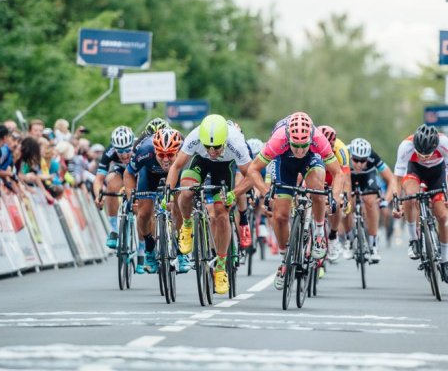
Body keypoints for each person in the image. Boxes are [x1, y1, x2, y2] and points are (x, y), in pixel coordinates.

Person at [237, 112, 345, 290]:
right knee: (280, 215)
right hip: (284, 162)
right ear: (289, 138)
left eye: (304, 146)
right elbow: (253, 171)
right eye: (296, 146)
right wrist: (266, 193)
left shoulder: (318, 139)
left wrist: (334, 197)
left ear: (310, 138)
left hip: (312, 161)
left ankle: (318, 235)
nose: (300, 151)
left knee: (317, 190)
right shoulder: (278, 140)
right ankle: (284, 259)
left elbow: (338, 173)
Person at [166, 114, 251, 295]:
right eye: (208, 147)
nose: (212, 151)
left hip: (225, 168)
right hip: (200, 163)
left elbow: (252, 175)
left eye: (217, 147)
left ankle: (220, 267)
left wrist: (234, 193)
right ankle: (187, 225)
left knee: (221, 213)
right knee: (187, 191)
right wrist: (168, 192)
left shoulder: (236, 142)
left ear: (225, 142)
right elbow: (176, 166)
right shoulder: (195, 136)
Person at [392, 124, 448, 284]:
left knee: (443, 216)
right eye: (419, 153)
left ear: (435, 146)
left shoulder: (444, 143)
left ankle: (445, 261)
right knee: (410, 197)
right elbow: (397, 179)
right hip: (414, 171)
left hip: (437, 174)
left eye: (427, 154)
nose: (423, 157)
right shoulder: (406, 146)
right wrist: (396, 204)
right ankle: (414, 239)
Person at [125, 127, 183, 274]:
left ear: (177, 151)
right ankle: (149, 247)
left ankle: (181, 249)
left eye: (170, 155)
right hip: (149, 176)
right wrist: (131, 198)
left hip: (176, 174)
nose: (165, 159)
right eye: (161, 154)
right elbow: (128, 174)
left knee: (181, 207)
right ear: (154, 150)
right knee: (143, 213)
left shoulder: (185, 152)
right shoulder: (144, 151)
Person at [344, 137, 396, 263]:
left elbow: (392, 179)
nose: (359, 164)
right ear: (351, 157)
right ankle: (349, 240)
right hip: (347, 176)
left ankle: (373, 245)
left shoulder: (374, 157)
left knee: (370, 201)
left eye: (363, 161)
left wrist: (385, 200)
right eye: (356, 160)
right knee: (346, 203)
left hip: (367, 177)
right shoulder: (344, 153)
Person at [93, 126, 135, 249]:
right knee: (111, 183)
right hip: (120, 172)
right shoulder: (109, 152)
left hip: (136, 172)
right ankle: (114, 230)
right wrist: (98, 196)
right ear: (114, 148)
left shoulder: (139, 148)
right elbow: (99, 179)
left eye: (127, 150)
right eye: (120, 151)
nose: (125, 154)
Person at [317, 125, 351, 264]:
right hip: (316, 172)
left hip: (334, 175)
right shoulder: (311, 144)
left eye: (330, 146)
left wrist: (346, 198)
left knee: (337, 203)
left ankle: (332, 236)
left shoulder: (341, 149)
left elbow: (345, 178)